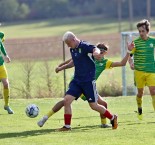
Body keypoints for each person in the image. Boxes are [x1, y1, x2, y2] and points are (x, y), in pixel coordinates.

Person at [37, 42, 133, 129]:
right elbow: (73, 60)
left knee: (102, 104)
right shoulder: (88, 57)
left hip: (89, 86)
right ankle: (46, 117)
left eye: (102, 53)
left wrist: (129, 51)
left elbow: (122, 63)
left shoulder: (105, 63)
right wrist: (61, 66)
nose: (100, 54)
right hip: (79, 83)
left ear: (105, 53)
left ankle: (104, 124)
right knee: (66, 101)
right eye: (99, 52)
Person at [128, 19, 155, 120]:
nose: (141, 33)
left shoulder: (153, 41)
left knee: (153, 91)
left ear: (147, 31)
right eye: (139, 31)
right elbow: (130, 55)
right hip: (139, 71)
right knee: (140, 93)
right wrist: (131, 62)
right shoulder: (135, 43)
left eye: (143, 31)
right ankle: (139, 108)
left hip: (151, 70)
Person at [0, 32, 14, 114]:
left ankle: (7, 105)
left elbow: (1, 45)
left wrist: (6, 55)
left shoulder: (0, 35)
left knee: (6, 84)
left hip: (0, 64)